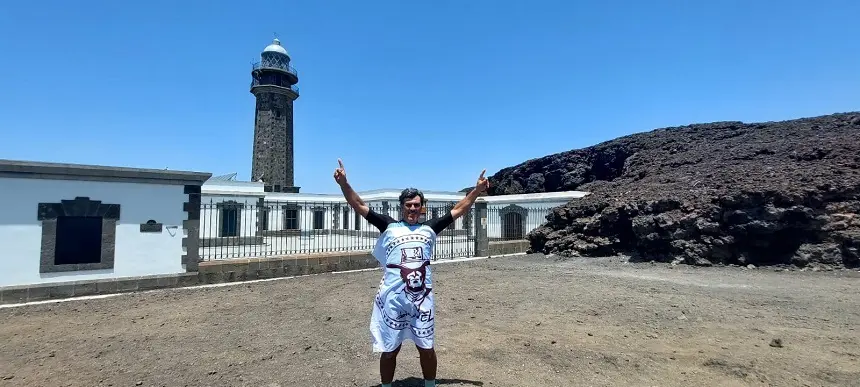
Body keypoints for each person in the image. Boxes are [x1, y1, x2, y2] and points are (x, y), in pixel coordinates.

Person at [333, 158, 489, 387]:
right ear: (402, 207)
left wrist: (476, 190)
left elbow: (459, 209)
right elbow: (359, 205)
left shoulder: (430, 228)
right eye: (408, 205)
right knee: (389, 349)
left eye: (416, 205)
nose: (413, 209)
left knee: (426, 346)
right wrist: (344, 184)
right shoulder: (388, 225)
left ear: (422, 207)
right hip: (394, 299)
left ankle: (430, 385)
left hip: (422, 299)